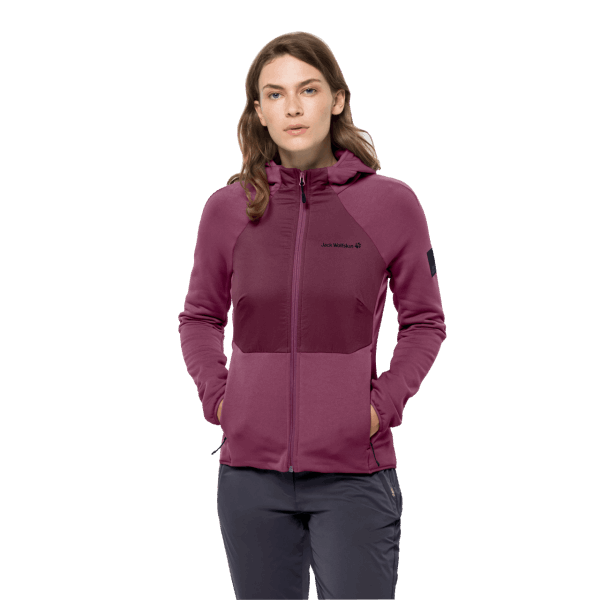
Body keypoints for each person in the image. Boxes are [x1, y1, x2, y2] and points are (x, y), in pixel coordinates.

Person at [178, 31, 446, 600]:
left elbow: (425, 322)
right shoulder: (227, 209)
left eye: (308, 90)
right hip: (250, 478)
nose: (293, 108)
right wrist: (221, 400)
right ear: (258, 110)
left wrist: (378, 408)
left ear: (338, 99)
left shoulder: (391, 203)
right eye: (275, 94)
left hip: (354, 474)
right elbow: (199, 316)